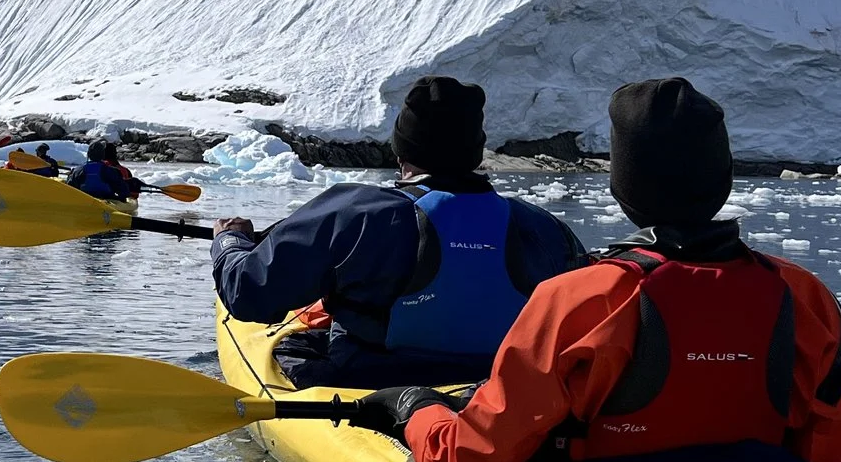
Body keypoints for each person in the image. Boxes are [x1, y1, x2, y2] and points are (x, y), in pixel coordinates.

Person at [342, 78, 841, 462]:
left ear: (625, 187)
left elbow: (470, 460)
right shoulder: (811, 300)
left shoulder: (582, 297)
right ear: (720, 178)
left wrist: (417, 409)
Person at [212, 76, 587, 388]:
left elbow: (247, 294)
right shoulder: (546, 229)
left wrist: (229, 243)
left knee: (296, 345)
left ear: (402, 152)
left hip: (371, 381)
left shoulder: (358, 214)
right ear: (474, 153)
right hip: (495, 384)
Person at [70, 140, 143, 201]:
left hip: (85, 201)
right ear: (103, 155)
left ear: (89, 155)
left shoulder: (77, 170)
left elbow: (70, 188)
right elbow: (124, 192)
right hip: (106, 201)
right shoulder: (112, 171)